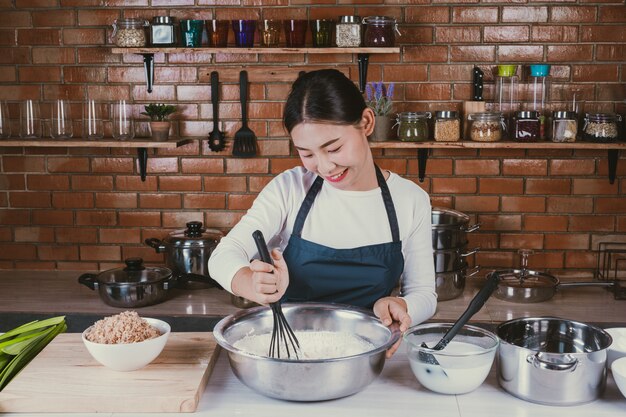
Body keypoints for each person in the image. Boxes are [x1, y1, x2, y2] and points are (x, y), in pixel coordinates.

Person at [208, 69, 436, 356]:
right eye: (307, 153)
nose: (325, 167)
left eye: (334, 148)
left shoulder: (410, 199)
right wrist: (251, 284)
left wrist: (402, 306)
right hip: (288, 351)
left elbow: (424, 294)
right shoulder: (290, 189)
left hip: (366, 353)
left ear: (366, 122)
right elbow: (222, 256)